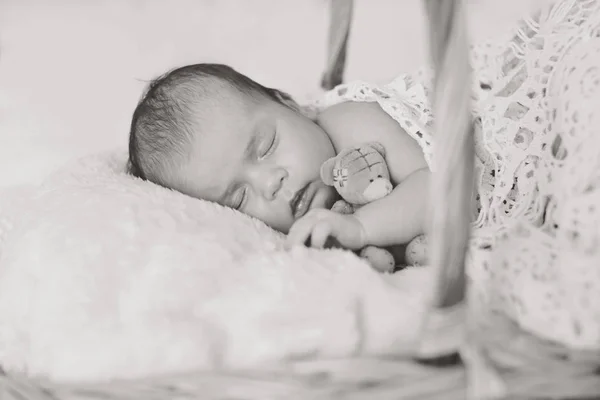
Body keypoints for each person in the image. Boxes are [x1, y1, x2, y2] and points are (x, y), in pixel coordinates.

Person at [127, 63, 430, 256]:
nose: (269, 183)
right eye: (238, 198)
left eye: (266, 146)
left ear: (292, 106)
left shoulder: (348, 121)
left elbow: (447, 188)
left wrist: (361, 228)